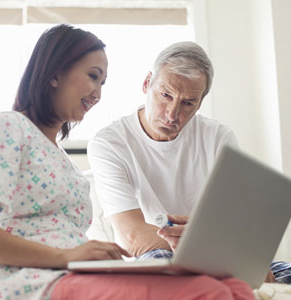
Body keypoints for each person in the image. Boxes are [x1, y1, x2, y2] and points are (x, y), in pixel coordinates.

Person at [0, 25, 255, 300]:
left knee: (237, 289)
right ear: (55, 73)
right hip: (33, 282)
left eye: (103, 82)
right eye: (93, 76)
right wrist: (66, 257)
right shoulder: (3, 127)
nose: (98, 93)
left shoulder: (59, 157)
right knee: (208, 293)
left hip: (73, 272)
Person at [87, 41, 290, 284]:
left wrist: (236, 255)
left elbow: (235, 228)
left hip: (217, 258)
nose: (172, 114)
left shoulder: (218, 137)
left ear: (200, 103)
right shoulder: (109, 142)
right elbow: (133, 238)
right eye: (165, 95)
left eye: (188, 103)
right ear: (146, 83)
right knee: (170, 273)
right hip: (159, 255)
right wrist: (211, 245)